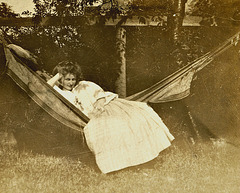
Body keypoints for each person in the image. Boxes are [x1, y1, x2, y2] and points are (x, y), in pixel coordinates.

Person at [72, 79, 175, 174]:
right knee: (110, 128)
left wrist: (99, 105)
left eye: (72, 79)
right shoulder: (66, 93)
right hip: (92, 114)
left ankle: (139, 157)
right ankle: (120, 162)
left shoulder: (84, 85)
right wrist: (59, 76)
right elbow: (55, 88)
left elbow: (100, 95)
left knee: (131, 121)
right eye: (67, 79)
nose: (70, 82)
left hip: (105, 106)